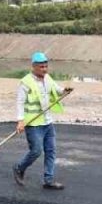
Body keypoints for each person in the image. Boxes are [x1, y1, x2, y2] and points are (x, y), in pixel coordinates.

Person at [13, 52, 71, 190]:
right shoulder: (25, 82)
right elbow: (20, 102)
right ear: (33, 66)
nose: (44, 69)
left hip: (47, 122)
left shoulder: (48, 78)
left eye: (46, 66)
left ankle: (48, 180)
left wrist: (65, 90)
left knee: (51, 151)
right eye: (41, 67)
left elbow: (57, 91)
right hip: (33, 124)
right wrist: (20, 121)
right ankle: (19, 168)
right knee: (36, 151)